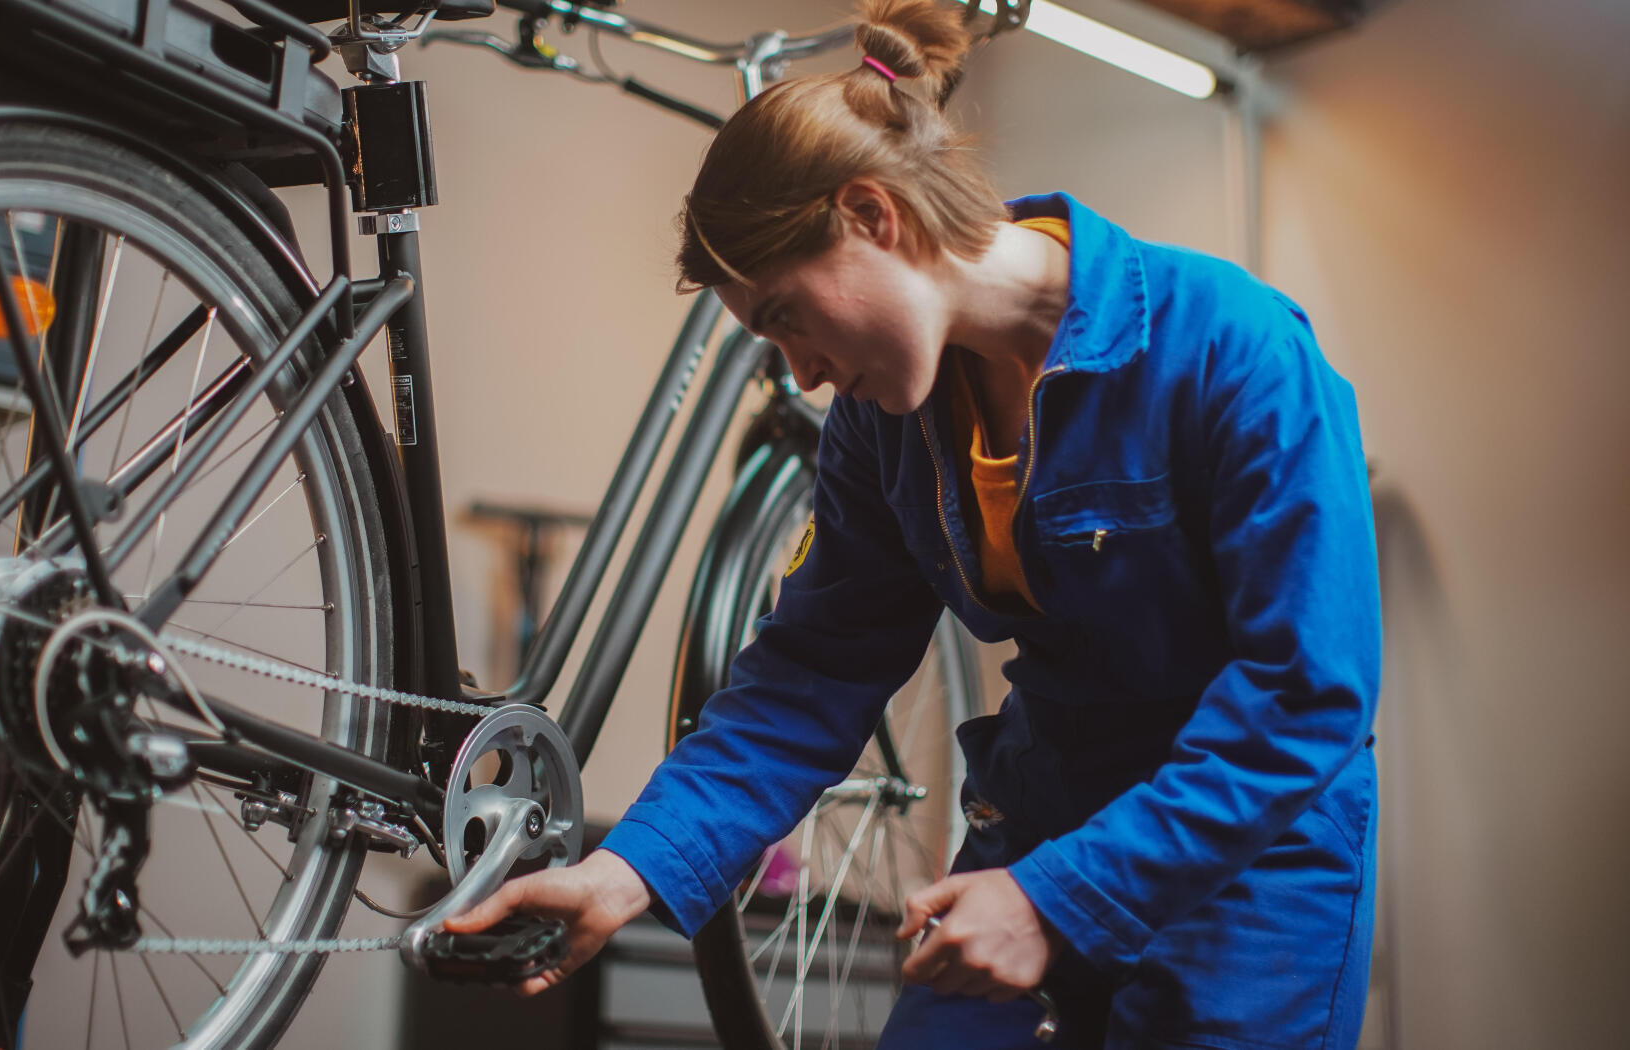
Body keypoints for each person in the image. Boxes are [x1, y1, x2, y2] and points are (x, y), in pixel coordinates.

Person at [445, 1, 1381, 1046]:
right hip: (1041, 819)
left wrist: (1056, 899)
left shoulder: (1234, 349)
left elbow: (1306, 694)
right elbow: (811, 672)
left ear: (870, 215)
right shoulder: (877, 431)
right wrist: (626, 872)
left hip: (1247, 860)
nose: (797, 370)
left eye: (787, 316)